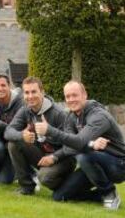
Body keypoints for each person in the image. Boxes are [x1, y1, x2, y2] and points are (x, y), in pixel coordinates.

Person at [35, 80, 125, 210]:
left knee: (83, 156)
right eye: (67, 96)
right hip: (92, 164)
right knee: (59, 196)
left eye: (75, 95)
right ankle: (99, 195)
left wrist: (49, 130)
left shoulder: (98, 115)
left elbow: (78, 142)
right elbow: (68, 146)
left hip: (118, 164)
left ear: (85, 95)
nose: (71, 99)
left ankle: (108, 192)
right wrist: (92, 144)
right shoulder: (71, 117)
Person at [5, 76, 75, 194]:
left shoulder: (59, 114)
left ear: (42, 92)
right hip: (42, 154)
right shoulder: (25, 110)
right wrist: (22, 135)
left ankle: (68, 187)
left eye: (34, 92)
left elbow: (71, 145)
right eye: (27, 92)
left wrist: (54, 157)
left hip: (63, 158)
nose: (30, 96)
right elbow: (8, 131)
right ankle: (26, 187)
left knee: (45, 177)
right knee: (13, 143)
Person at [0, 71, 23, 184]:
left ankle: (30, 174)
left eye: (3, 85)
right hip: (2, 145)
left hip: (18, 143)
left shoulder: (20, 103)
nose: (0, 89)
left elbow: (17, 131)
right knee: (4, 180)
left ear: (9, 86)